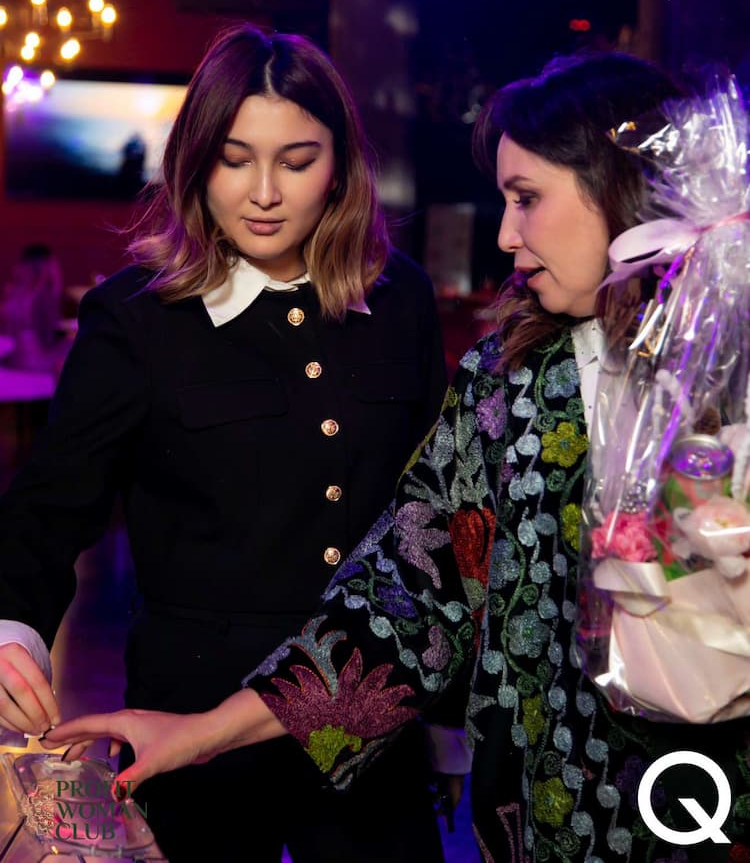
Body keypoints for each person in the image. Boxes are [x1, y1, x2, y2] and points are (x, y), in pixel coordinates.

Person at [47, 51, 750, 863]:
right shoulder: (507, 389)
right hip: (558, 825)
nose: (505, 234)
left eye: (526, 198)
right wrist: (204, 734)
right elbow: (407, 611)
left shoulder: (728, 370)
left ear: (618, 188)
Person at [0, 25, 453, 862]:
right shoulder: (136, 318)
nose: (264, 193)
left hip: (363, 721)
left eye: (298, 160)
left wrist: (448, 722)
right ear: (195, 161)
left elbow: (433, 526)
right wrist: (11, 630)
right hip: (188, 728)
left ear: (340, 167)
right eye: (234, 159)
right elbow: (47, 509)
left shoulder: (400, 302)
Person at [1, 243, 64, 372]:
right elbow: (48, 337)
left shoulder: (14, 291)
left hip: (16, 357)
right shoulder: (43, 295)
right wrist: (57, 286)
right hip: (33, 360)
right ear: (47, 265)